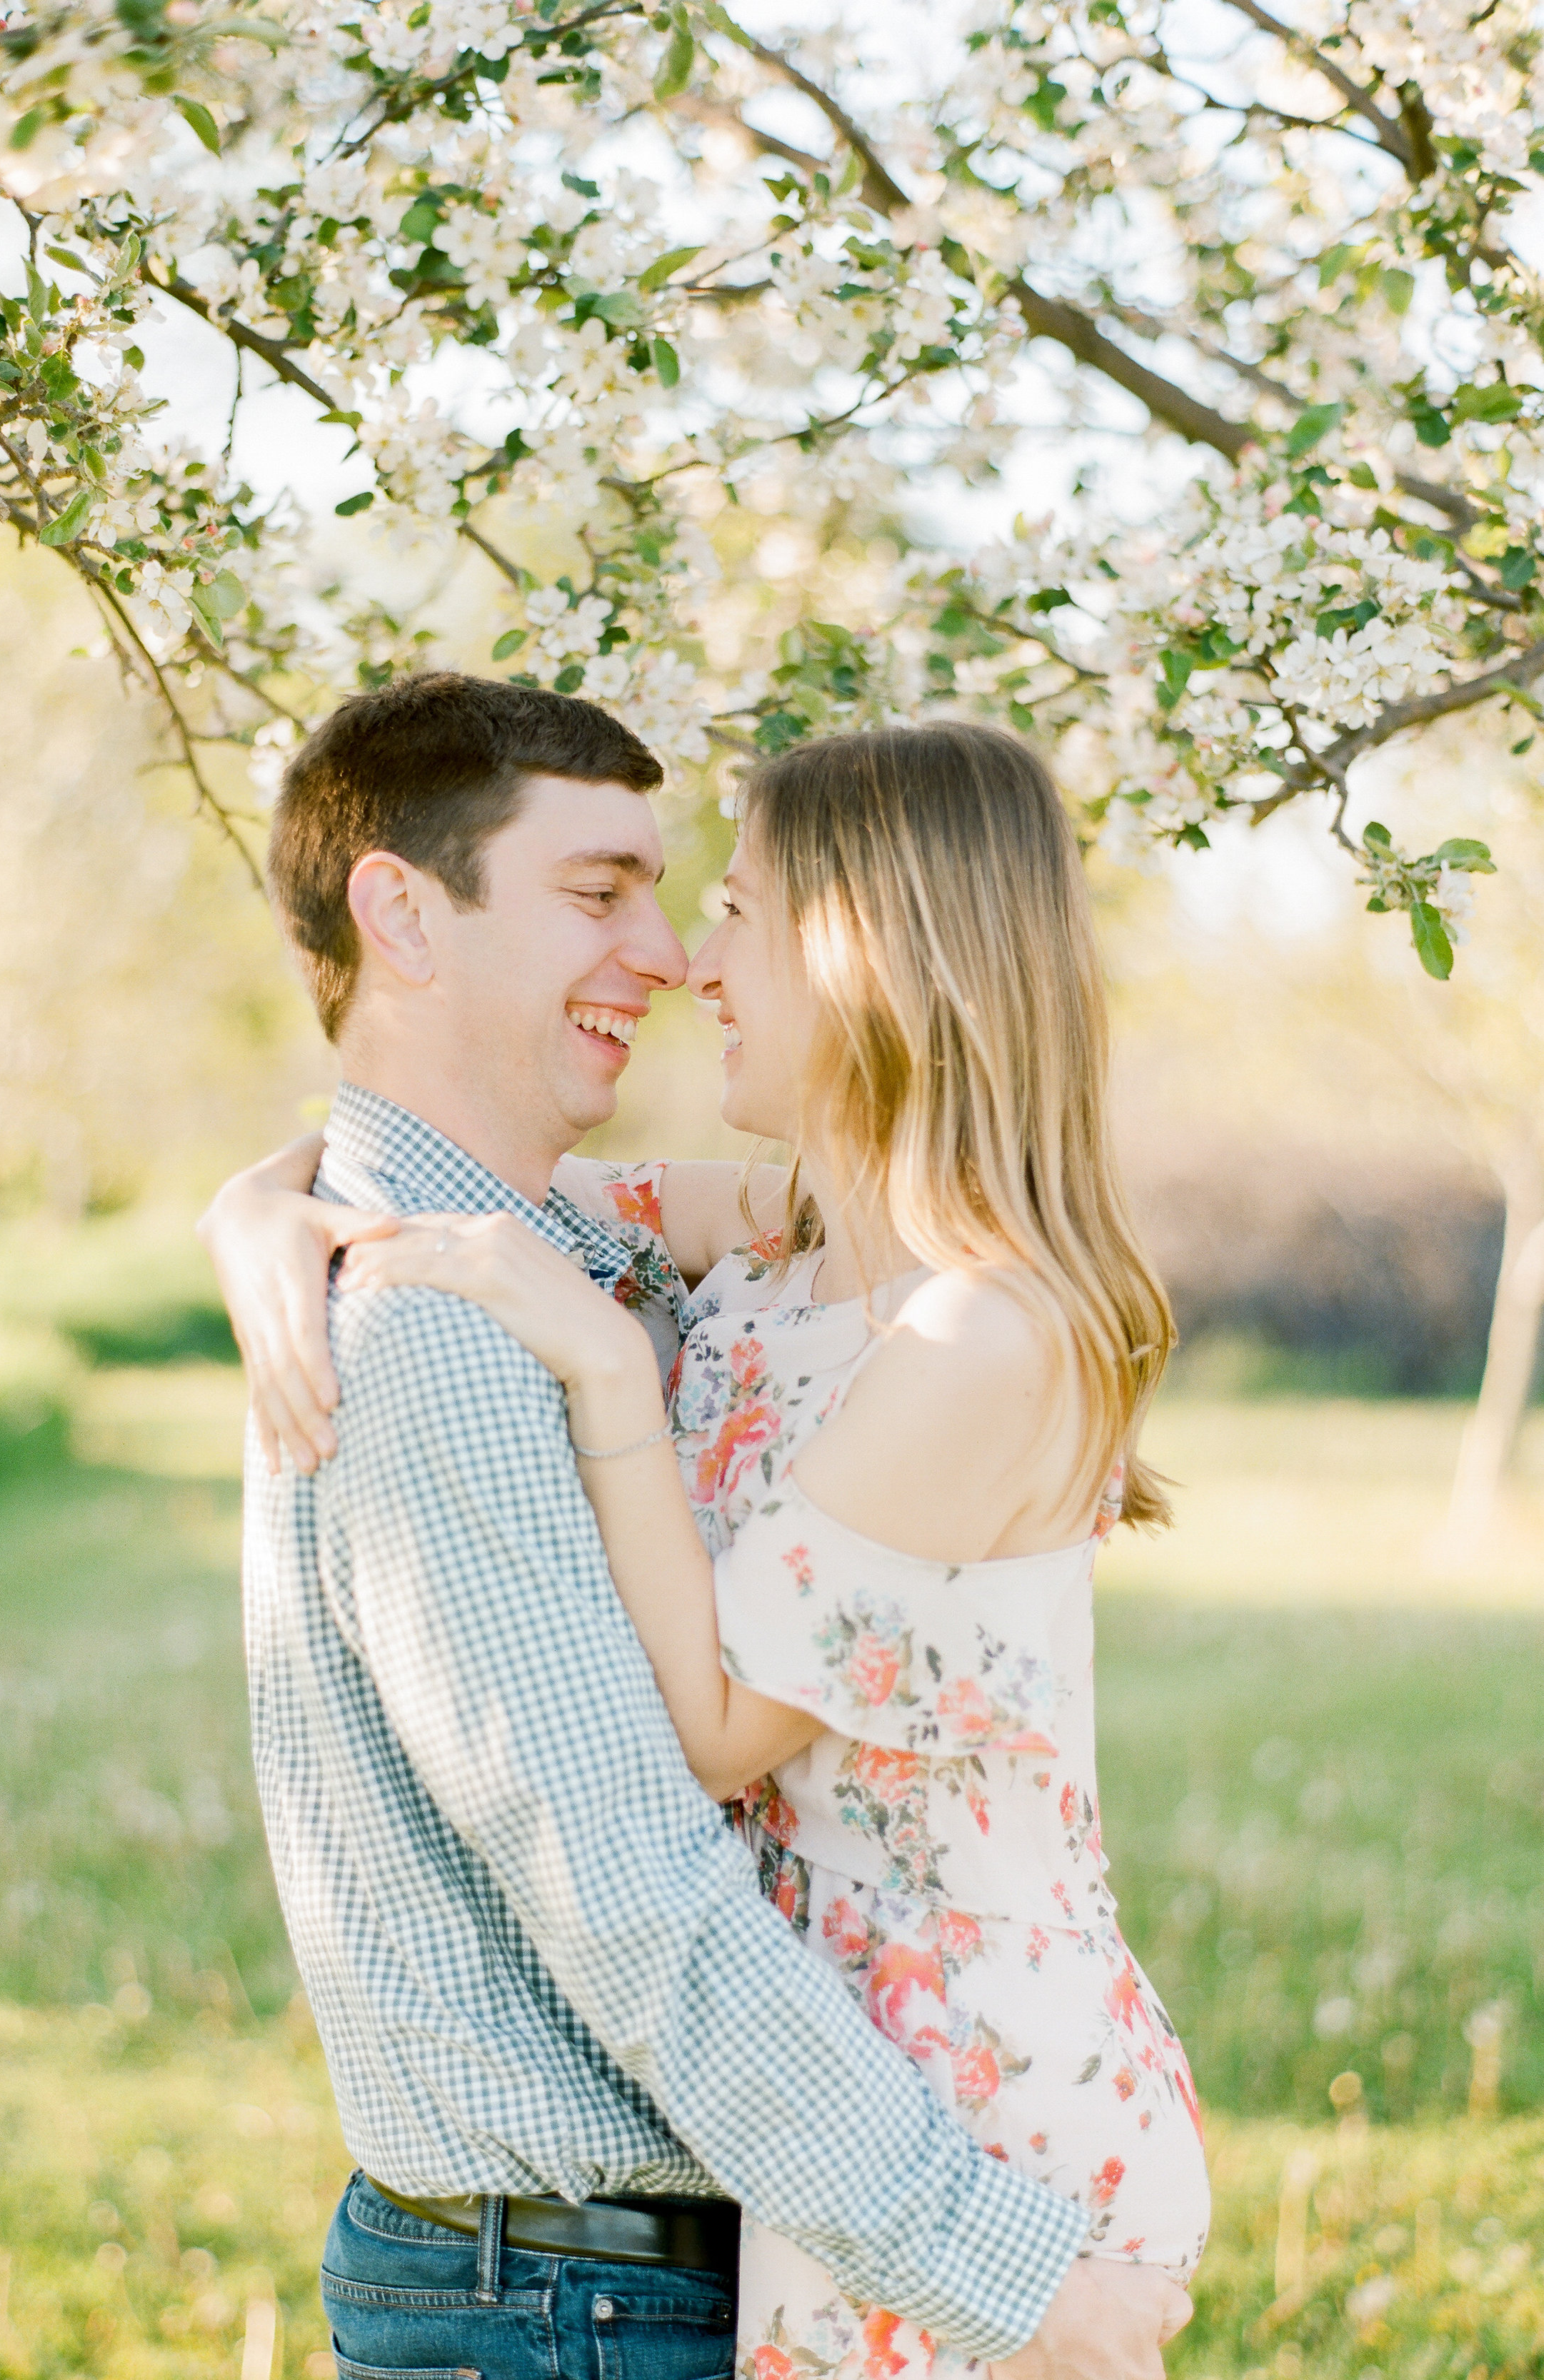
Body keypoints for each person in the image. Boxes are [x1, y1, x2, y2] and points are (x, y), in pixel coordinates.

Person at [202, 673, 1195, 2380]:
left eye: (711, 905)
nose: (672, 957)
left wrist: (312, 1205)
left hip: (886, 2147)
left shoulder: (744, 1286)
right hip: (627, 2259)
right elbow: (626, 1884)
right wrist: (266, 1197)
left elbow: (694, 1755)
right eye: (604, 895)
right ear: (399, 914)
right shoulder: (478, 1308)